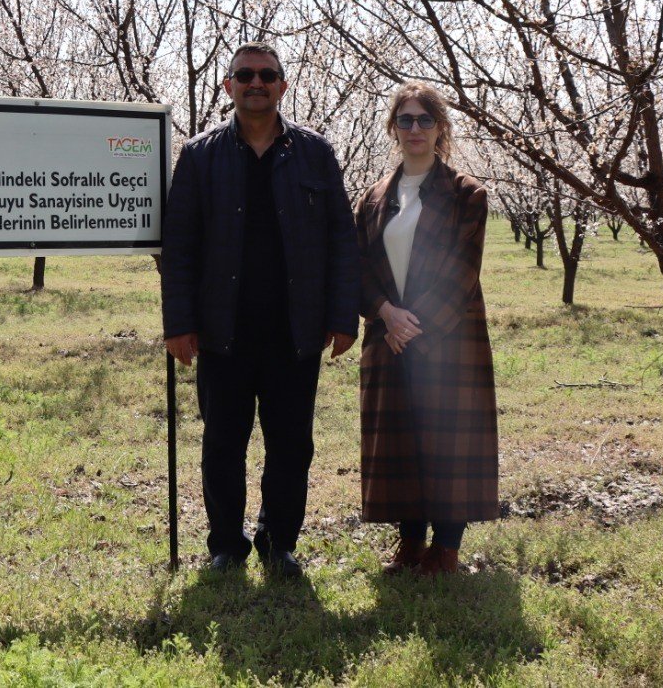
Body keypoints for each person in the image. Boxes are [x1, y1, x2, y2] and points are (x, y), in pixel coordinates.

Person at [161, 41, 359, 578]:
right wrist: (178, 324)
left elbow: (342, 237)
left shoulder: (314, 152)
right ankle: (226, 543)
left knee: (292, 444)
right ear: (228, 86)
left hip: (296, 330)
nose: (256, 83)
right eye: (245, 74)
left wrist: (344, 317)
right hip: (222, 329)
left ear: (283, 86)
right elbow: (178, 246)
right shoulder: (200, 156)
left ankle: (279, 542)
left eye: (267, 75)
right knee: (223, 441)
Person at [354, 82, 498, 576]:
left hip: (448, 339)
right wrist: (384, 314)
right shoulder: (372, 199)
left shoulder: (466, 195)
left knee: (449, 441)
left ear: (441, 128)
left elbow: (462, 271)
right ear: (393, 129)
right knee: (402, 442)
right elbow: (361, 269)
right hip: (388, 338)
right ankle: (410, 543)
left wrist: (414, 325)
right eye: (405, 120)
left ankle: (448, 549)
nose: (415, 129)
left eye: (425, 120)